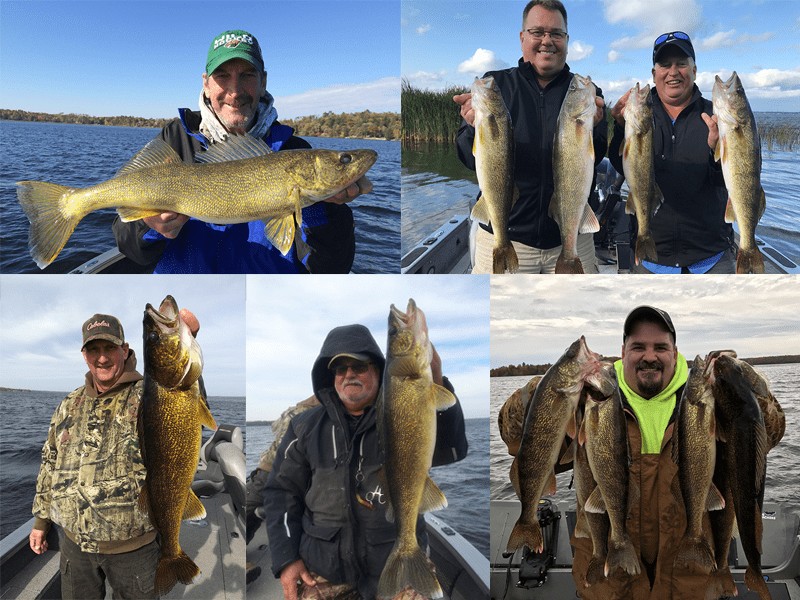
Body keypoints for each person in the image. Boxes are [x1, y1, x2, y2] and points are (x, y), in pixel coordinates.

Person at [113, 29, 365, 274]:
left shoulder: (294, 150)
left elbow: (332, 269)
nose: (234, 91)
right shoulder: (175, 140)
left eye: (246, 75)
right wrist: (151, 226)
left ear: (263, 82)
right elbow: (130, 248)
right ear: (206, 84)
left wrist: (326, 209)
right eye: (222, 76)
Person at [263, 324, 468, 600]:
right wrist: (286, 559)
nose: (349, 374)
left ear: (378, 371)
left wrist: (437, 378)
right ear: (330, 376)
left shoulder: (405, 414)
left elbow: (453, 450)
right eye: (340, 369)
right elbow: (281, 491)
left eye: (358, 366)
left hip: (396, 561)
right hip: (323, 568)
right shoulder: (303, 427)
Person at [453, 0, 607, 274]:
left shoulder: (584, 91)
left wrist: (594, 130)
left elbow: (595, 157)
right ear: (522, 37)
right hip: (505, 235)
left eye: (556, 33)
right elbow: (467, 155)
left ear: (567, 40)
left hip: (571, 239)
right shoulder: (497, 85)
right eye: (538, 32)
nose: (547, 41)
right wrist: (474, 128)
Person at [29, 314, 155, 599]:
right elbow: (50, 462)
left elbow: (182, 396)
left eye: (109, 348)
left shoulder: (148, 395)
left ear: (124, 350)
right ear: (84, 355)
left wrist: (187, 342)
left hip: (133, 546)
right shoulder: (70, 403)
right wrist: (41, 523)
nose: (101, 358)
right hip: (74, 543)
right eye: (93, 350)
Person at [608, 32, 736, 273]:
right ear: (654, 74)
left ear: (694, 70)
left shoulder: (716, 116)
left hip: (711, 257)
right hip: (652, 259)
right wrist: (618, 128)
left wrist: (715, 151)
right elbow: (621, 164)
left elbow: (728, 180)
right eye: (665, 65)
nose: (673, 72)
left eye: (681, 64)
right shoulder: (641, 114)